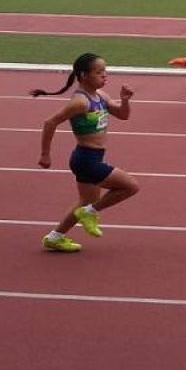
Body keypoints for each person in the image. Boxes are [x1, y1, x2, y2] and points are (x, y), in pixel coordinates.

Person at [32, 53, 140, 253]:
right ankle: (90, 213)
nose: (104, 76)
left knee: (86, 201)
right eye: (99, 72)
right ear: (83, 75)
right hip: (86, 159)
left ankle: (55, 237)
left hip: (91, 158)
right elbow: (50, 122)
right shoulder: (80, 102)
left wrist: (125, 100)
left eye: (105, 71)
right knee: (130, 187)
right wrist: (45, 154)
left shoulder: (101, 96)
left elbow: (123, 115)